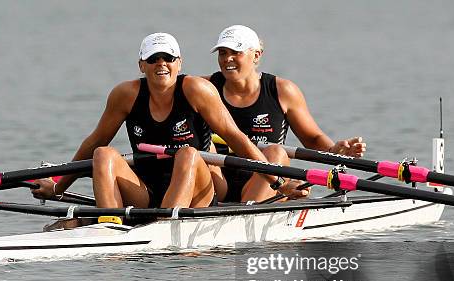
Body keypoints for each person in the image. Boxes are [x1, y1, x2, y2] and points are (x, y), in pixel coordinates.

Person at [32, 32, 291, 223]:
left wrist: (278, 184)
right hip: (146, 192)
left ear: (179, 63)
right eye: (153, 59)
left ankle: (164, 226)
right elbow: (92, 142)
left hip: (197, 192)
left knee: (188, 153)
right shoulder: (126, 94)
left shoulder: (196, 90)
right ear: (141, 65)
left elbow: (236, 138)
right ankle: (108, 225)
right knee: (103, 153)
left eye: (167, 58)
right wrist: (58, 187)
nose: (161, 64)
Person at [206, 25, 367, 203]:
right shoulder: (204, 88)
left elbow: (312, 138)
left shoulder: (282, 91)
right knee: (201, 149)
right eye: (222, 52)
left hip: (266, 183)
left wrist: (334, 152)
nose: (227, 58)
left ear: (257, 55)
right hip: (217, 182)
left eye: (236, 52)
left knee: (276, 152)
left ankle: (247, 212)